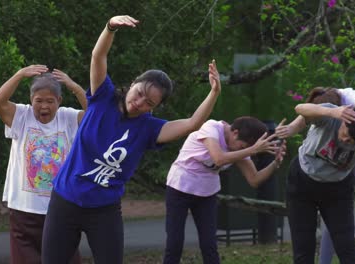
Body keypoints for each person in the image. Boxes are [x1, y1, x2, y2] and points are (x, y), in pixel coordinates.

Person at [41, 15, 221, 264]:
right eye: (139, 94)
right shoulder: (103, 97)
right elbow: (98, 56)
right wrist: (110, 27)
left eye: (149, 103)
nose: (139, 104)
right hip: (66, 201)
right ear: (134, 83)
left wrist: (213, 93)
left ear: (155, 107)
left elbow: (192, 123)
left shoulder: (149, 128)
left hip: (104, 210)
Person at [276, 87, 355, 264]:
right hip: (303, 180)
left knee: (346, 243)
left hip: (339, 184)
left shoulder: (352, 101)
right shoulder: (327, 114)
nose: (344, 138)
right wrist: (292, 128)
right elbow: (303, 111)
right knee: (303, 246)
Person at [0, 66, 86, 264]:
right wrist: (18, 75)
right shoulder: (21, 117)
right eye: (39, 101)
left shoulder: (68, 118)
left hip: (60, 208)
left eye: (50, 101)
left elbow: (96, 114)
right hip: (24, 211)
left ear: (59, 101)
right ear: (31, 100)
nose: (44, 106)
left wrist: (73, 86)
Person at [163, 117, 286, 264]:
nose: (243, 150)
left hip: (207, 193)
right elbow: (219, 159)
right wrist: (252, 149)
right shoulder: (212, 128)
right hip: (180, 187)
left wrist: (275, 163)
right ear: (235, 133)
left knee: (209, 244)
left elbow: (254, 179)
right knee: (175, 242)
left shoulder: (239, 147)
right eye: (242, 147)